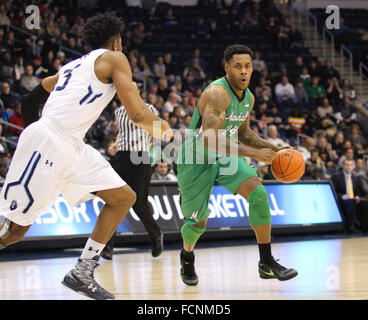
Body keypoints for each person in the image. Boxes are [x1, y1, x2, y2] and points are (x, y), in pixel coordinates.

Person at [0, 12, 172, 300]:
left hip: (73, 146)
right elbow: (138, 113)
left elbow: (29, 100)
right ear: (116, 41)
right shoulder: (115, 58)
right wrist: (164, 129)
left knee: (123, 198)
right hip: (51, 141)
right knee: (15, 230)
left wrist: (34, 132)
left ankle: (82, 271)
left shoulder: (73, 66)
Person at [176, 44, 297, 287]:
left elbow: (242, 131)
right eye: (237, 66)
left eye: (248, 66)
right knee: (197, 224)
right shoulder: (218, 93)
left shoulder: (248, 98)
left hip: (226, 155)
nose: (244, 71)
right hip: (197, 159)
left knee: (260, 195)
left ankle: (266, 262)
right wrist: (256, 154)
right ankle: (187, 257)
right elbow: (210, 139)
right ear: (227, 68)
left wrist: (273, 149)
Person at [100, 82, 163, 260]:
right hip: (121, 158)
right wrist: (115, 144)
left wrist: (152, 155)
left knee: (139, 204)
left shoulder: (149, 108)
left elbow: (156, 134)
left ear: (137, 92)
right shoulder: (119, 111)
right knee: (114, 201)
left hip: (141, 158)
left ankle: (156, 235)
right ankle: (107, 247)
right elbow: (123, 133)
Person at [331, 159, 360, 233]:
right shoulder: (336, 176)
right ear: (343, 166)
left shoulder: (355, 177)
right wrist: (342, 196)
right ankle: (350, 227)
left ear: (353, 166)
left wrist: (357, 196)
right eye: (346, 165)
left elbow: (357, 191)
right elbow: (333, 191)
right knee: (350, 203)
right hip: (341, 199)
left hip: (352, 198)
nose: (348, 167)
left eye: (350, 165)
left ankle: (362, 226)